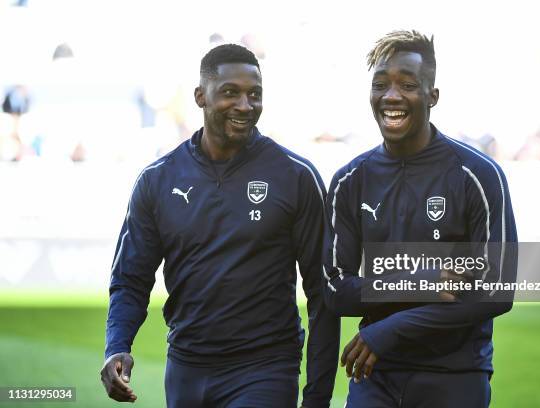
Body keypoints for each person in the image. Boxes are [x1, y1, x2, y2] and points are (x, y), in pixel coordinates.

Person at [101, 44, 340, 408]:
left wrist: (317, 396)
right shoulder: (158, 180)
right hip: (186, 367)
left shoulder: (295, 176)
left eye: (254, 94)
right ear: (201, 96)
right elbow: (130, 279)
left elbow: (323, 293)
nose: (245, 105)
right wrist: (117, 346)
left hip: (266, 369)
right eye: (231, 93)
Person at [322, 30, 517, 407]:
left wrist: (390, 329)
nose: (391, 96)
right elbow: (334, 290)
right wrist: (418, 282)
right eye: (380, 85)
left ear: (432, 96)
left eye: (407, 85)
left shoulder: (476, 174)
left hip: (455, 376)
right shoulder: (350, 180)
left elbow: (498, 290)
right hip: (374, 375)